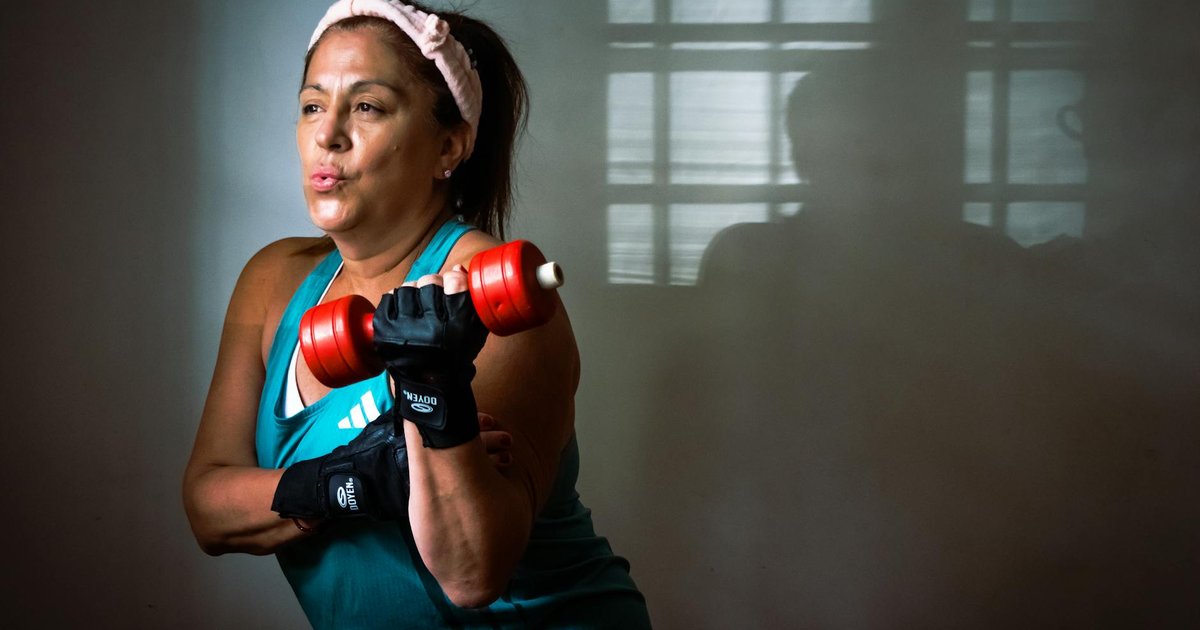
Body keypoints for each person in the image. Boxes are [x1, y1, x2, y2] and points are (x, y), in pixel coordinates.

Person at [182, 1, 651, 627]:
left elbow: (471, 572)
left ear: (448, 145)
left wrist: (435, 393)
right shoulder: (274, 280)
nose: (328, 134)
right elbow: (208, 506)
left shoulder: (487, 296)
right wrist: (350, 480)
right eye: (313, 105)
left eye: (367, 106)